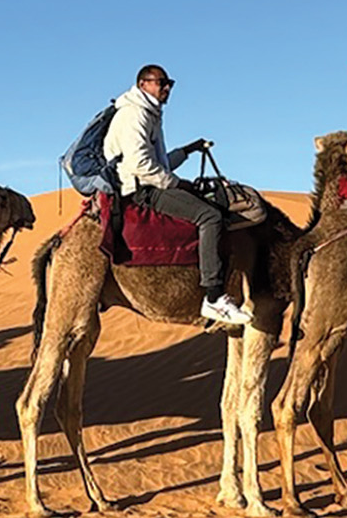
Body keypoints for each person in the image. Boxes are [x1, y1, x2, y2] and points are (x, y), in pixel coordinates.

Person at [104, 64, 251, 326]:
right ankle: (214, 297)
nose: (167, 88)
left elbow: (158, 163)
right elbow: (141, 166)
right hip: (141, 191)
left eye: (169, 82)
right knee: (210, 216)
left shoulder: (149, 113)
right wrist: (178, 184)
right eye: (162, 82)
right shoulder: (135, 114)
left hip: (147, 183)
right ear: (143, 84)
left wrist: (187, 150)